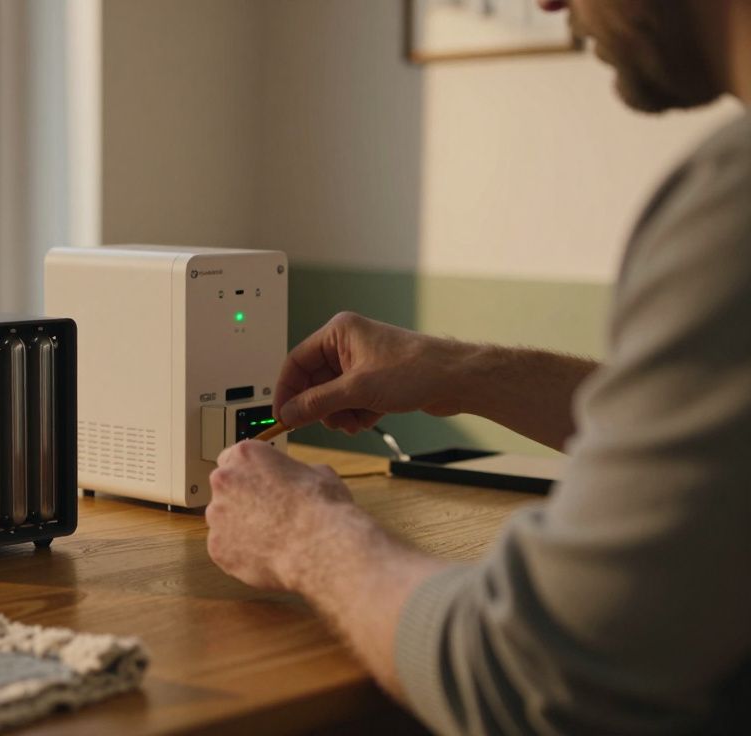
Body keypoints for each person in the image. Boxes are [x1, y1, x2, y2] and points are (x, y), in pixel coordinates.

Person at [205, 1, 751, 733]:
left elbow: (536, 676)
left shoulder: (732, 200)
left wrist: (305, 536)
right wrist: (461, 370)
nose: (549, 4)